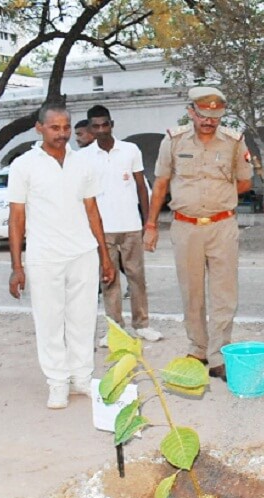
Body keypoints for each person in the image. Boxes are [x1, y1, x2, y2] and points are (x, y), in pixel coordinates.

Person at [7, 103, 115, 409]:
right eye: (55, 127)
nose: (62, 133)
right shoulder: (24, 165)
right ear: (39, 128)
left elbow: (93, 211)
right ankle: (57, 382)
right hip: (44, 256)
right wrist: (17, 267)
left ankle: (81, 378)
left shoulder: (82, 163)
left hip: (83, 253)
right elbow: (17, 219)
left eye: (66, 127)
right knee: (50, 322)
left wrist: (104, 256)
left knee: (83, 319)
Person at [143, 87, 254, 381]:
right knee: (191, 291)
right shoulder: (173, 141)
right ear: (191, 111)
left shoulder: (233, 142)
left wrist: (219, 199)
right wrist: (151, 225)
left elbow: (244, 183)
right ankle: (198, 348)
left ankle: (219, 354)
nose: (209, 121)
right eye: (203, 115)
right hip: (185, 226)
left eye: (215, 116)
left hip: (222, 226)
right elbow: (161, 183)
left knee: (224, 293)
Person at [81, 104, 162, 345]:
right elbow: (84, 195)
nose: (102, 130)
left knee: (137, 276)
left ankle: (142, 325)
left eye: (105, 124)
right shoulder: (83, 157)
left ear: (112, 124)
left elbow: (141, 187)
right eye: (96, 126)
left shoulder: (130, 150)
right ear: (90, 129)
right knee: (109, 279)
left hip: (131, 226)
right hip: (102, 230)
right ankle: (115, 329)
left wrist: (149, 224)